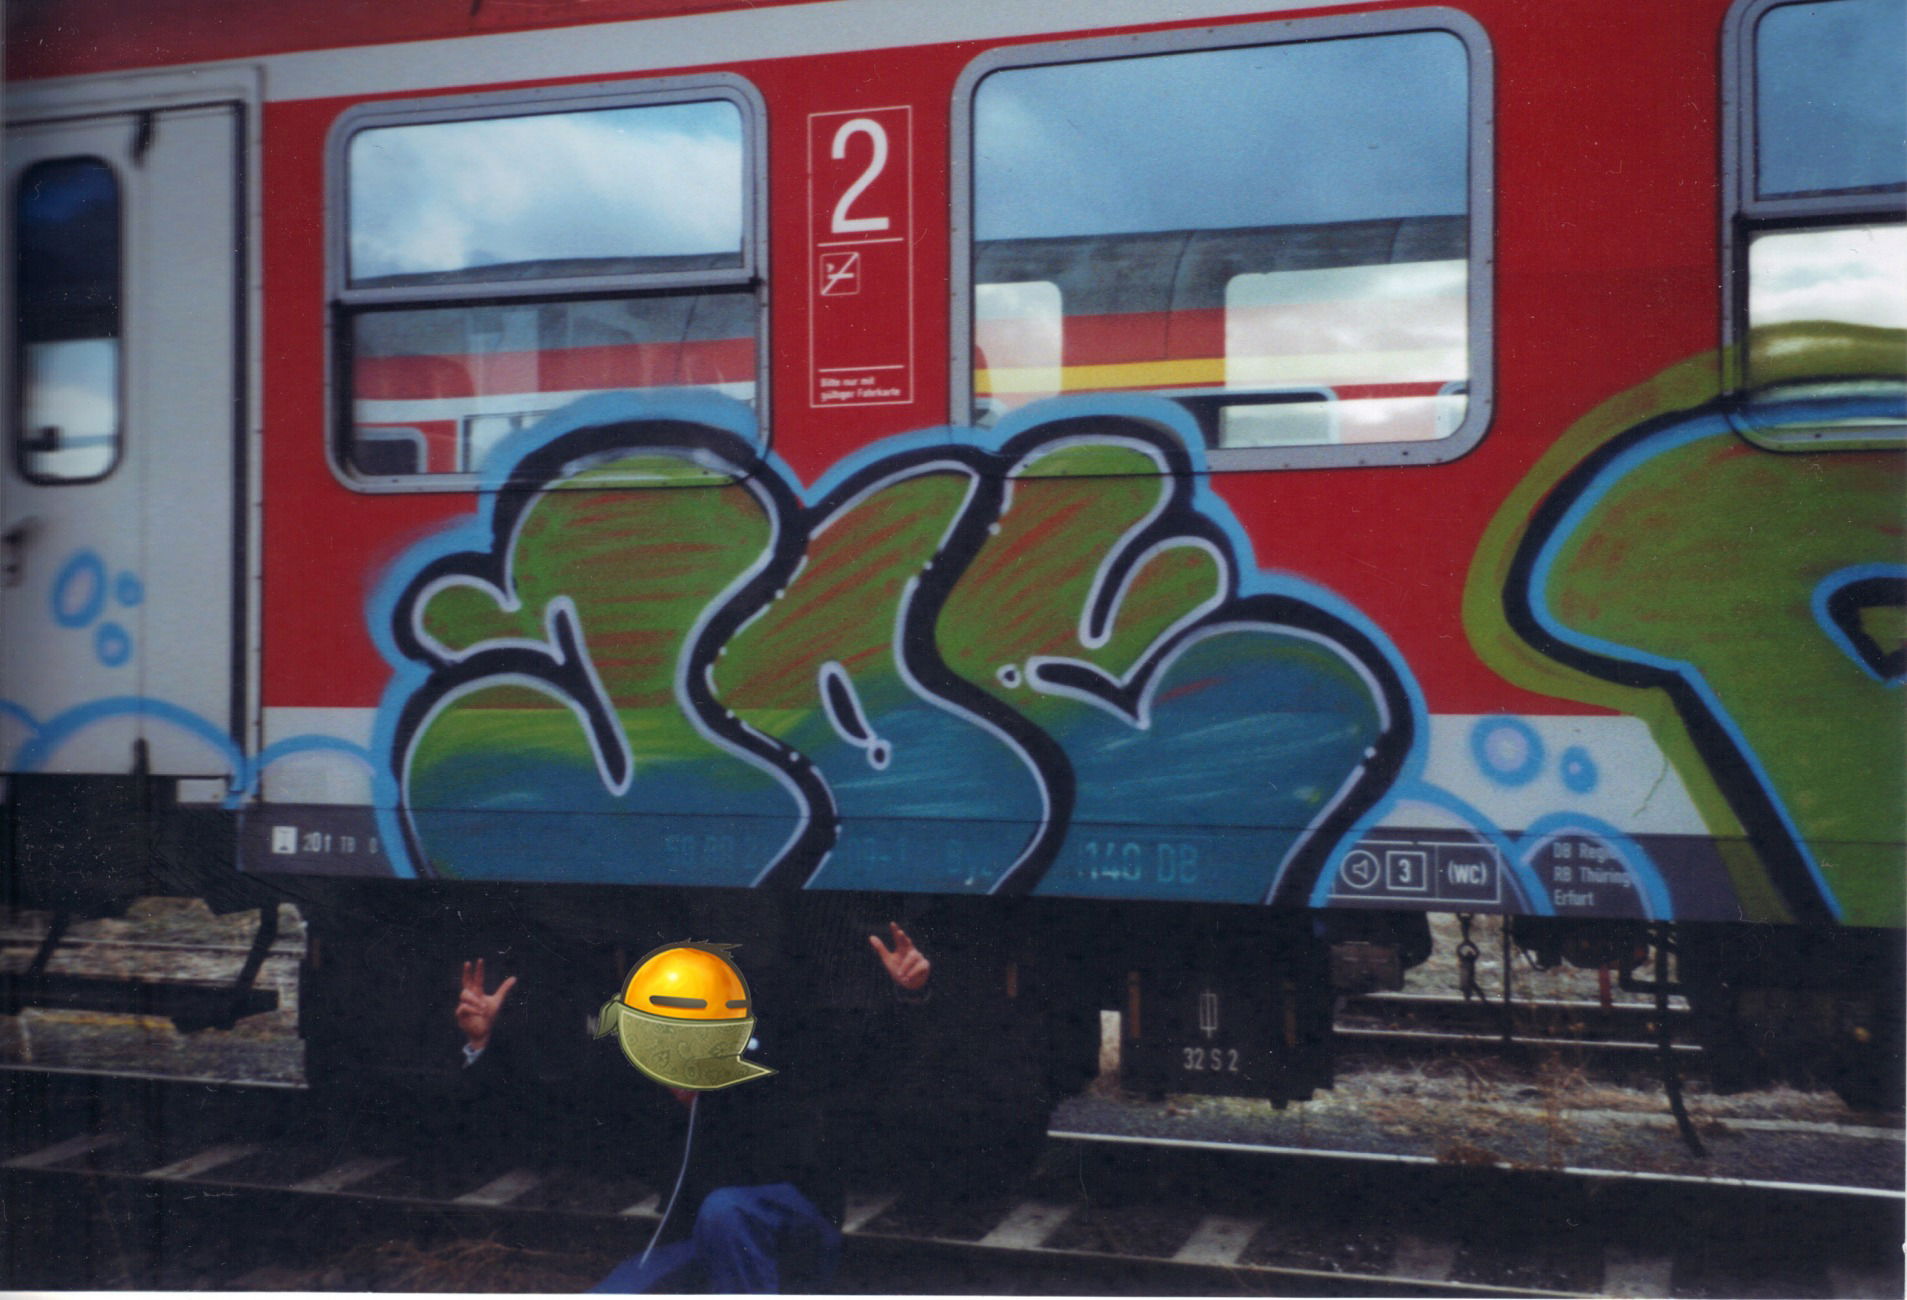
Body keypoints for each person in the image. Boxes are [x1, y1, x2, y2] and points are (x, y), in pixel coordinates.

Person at [455, 921, 932, 1293]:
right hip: (700, 1240)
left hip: (797, 1230)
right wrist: (483, 1044)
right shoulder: (635, 1087)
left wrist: (908, 995)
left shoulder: (766, 1066)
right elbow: (537, 1117)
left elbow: (869, 1064)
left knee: (725, 1210)